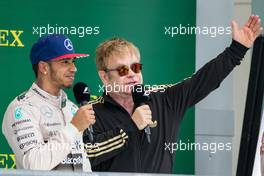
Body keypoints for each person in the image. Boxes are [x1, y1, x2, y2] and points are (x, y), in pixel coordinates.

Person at [83, 15, 263, 173]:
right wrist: (131, 126)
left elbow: (203, 80)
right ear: (105, 77)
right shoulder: (91, 112)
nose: (132, 74)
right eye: (122, 69)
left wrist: (236, 50)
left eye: (136, 67)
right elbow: (88, 154)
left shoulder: (164, 99)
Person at [2, 34, 95, 171]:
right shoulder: (22, 108)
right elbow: (34, 165)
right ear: (43, 67)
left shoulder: (72, 108)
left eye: (73, 61)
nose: (74, 68)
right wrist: (73, 127)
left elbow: (82, 163)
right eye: (65, 62)